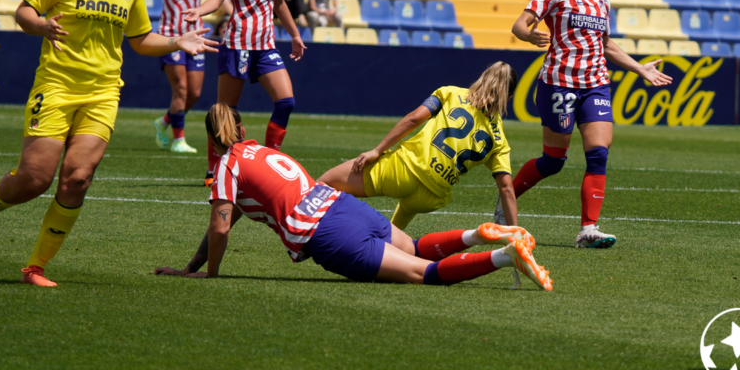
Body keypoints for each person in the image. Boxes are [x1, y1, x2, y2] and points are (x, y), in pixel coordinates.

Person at [0, 0, 217, 287]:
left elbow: (141, 38)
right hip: (57, 85)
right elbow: (25, 11)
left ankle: (35, 267)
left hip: (103, 92)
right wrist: (42, 25)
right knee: (33, 180)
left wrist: (175, 42)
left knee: (77, 178)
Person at [154, 103, 553, 291]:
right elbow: (236, 213)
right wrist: (192, 264)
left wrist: (207, 275)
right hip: (341, 205)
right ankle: (476, 235)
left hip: (327, 233)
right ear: (241, 128)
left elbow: (221, 226)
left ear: (212, 138)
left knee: (424, 275)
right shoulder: (262, 151)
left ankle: (504, 255)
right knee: (415, 248)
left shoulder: (227, 166)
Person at [507, 0, 673, 248]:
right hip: (559, 84)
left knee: (598, 155)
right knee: (553, 160)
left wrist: (639, 68)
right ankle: (507, 197)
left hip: (595, 85)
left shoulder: (602, 0)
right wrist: (528, 36)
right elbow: (519, 24)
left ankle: (588, 230)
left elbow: (606, 44)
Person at [182, 0, 306, 186]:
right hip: (237, 46)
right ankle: (214, 167)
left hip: (265, 47)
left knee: (286, 102)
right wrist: (198, 11)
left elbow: (279, 3)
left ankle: (271, 159)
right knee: (226, 112)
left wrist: (295, 35)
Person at [318, 63, 519, 230]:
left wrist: (376, 150)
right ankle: (387, 243)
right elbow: (506, 189)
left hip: (403, 171)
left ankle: (308, 237)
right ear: (508, 98)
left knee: (324, 183)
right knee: (394, 230)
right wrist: (516, 234)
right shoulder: (500, 139)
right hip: (432, 198)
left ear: (481, 79)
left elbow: (413, 119)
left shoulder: (449, 93)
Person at [142, 0, 230, 153]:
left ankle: (163, 121)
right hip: (170, 36)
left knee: (194, 93)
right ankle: (178, 140)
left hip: (196, 38)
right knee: (180, 89)